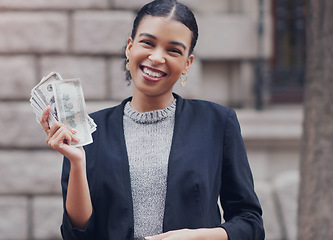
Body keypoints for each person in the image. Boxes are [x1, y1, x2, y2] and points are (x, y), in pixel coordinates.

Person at [40, 0, 265, 239]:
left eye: (174, 50)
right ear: (130, 47)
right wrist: (77, 163)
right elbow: (77, 234)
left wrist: (200, 236)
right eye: (147, 43)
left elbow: (250, 223)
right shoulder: (89, 132)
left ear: (187, 63)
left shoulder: (217, 123)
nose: (157, 58)